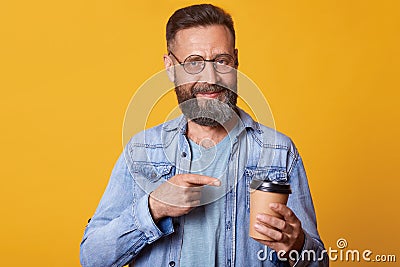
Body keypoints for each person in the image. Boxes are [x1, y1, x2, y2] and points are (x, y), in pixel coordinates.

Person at [80, 4, 328, 267]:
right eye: (193, 63)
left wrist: (297, 245)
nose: (211, 78)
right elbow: (93, 258)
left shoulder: (278, 151)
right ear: (170, 66)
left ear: (236, 61)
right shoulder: (142, 151)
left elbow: (318, 262)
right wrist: (155, 208)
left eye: (221, 61)